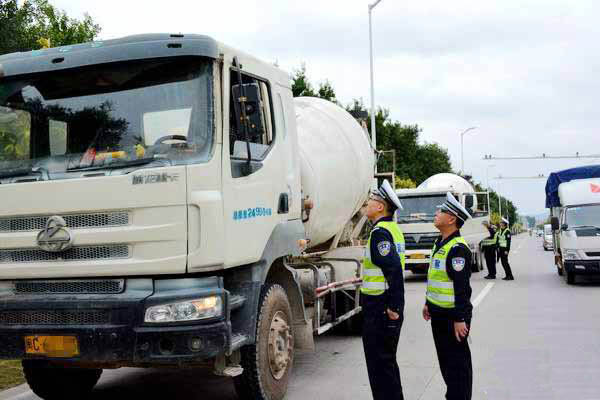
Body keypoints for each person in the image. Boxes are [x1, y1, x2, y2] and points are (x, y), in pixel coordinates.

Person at [422, 192, 473, 400]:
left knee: (457, 366)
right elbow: (436, 277)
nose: (437, 213)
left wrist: (460, 318)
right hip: (439, 314)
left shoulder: (457, 249)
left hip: (453, 317)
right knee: (446, 363)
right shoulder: (440, 243)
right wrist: (428, 303)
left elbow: (461, 288)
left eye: (442, 211)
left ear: (451, 219)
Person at [360, 179, 406, 400]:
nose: (367, 203)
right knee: (387, 365)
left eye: (371, 200)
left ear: (380, 207)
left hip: (380, 307)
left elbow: (393, 269)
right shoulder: (392, 229)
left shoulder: (380, 232)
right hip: (384, 305)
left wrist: (394, 307)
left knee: (380, 368)